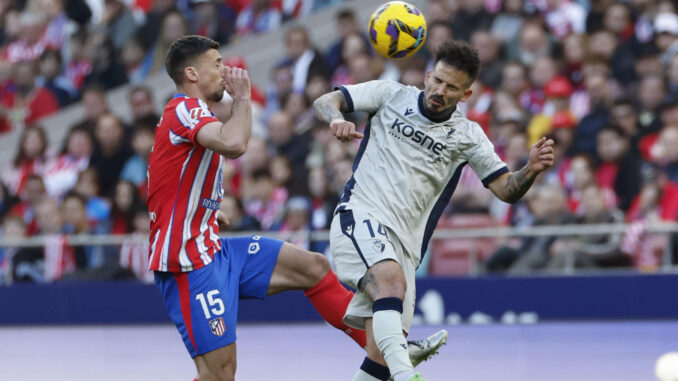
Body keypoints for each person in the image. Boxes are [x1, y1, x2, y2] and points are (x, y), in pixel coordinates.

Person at [147, 35, 443, 381]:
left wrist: (205, 211)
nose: (225, 70)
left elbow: (164, 177)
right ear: (192, 73)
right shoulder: (185, 107)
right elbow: (234, 144)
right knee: (220, 373)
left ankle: (389, 353)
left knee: (312, 267)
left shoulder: (189, 114)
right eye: (217, 64)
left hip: (213, 247)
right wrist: (243, 97)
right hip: (188, 262)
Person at [313, 39, 556, 381]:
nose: (440, 90)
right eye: (438, 81)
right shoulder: (390, 94)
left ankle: (394, 369)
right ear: (428, 76)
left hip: (406, 247)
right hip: (360, 215)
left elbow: (505, 190)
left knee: (380, 355)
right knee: (389, 286)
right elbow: (326, 100)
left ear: (466, 95)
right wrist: (335, 118)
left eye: (452, 87)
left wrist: (530, 169)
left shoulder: (468, 135)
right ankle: (406, 376)